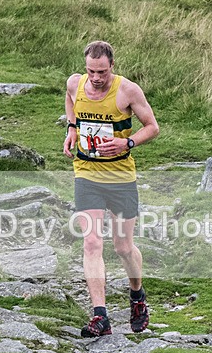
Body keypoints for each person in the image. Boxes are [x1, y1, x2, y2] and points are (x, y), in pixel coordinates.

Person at [63, 41, 160, 337]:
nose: (96, 78)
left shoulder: (127, 90)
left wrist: (127, 143)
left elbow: (152, 127)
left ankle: (137, 295)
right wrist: (71, 128)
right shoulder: (75, 83)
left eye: (102, 72)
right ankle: (100, 316)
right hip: (87, 174)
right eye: (91, 71)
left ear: (112, 67)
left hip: (120, 179)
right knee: (91, 243)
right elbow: (69, 99)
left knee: (123, 247)